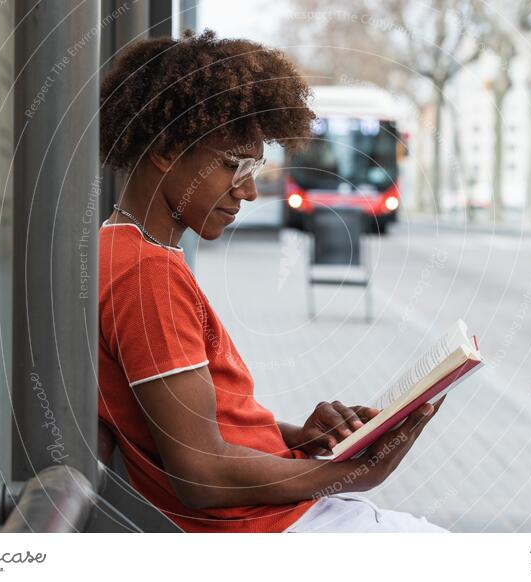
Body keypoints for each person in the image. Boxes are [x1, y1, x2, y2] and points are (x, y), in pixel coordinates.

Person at [97, 29, 448, 533]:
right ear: (168, 149)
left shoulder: (126, 252)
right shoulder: (145, 274)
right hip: (277, 529)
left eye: (255, 167)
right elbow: (200, 474)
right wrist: (345, 474)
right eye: (232, 165)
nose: (250, 190)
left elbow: (205, 431)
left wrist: (297, 441)